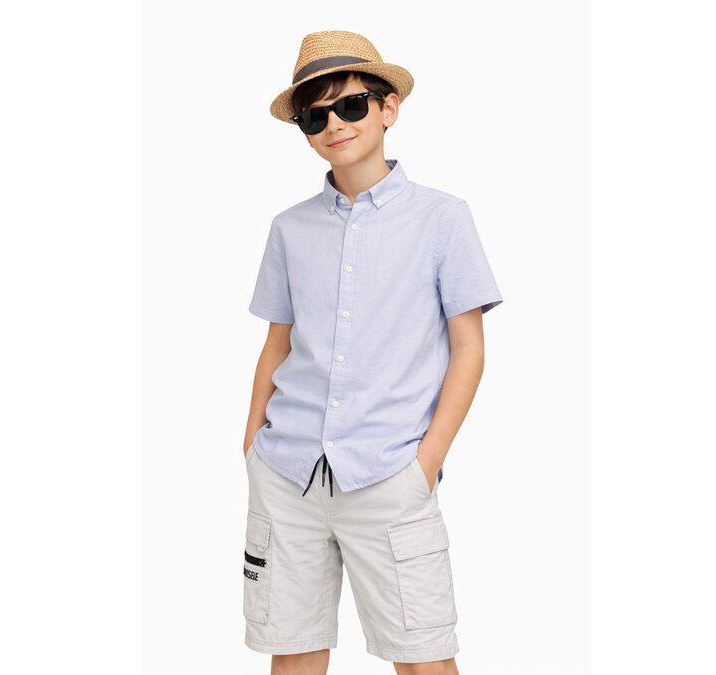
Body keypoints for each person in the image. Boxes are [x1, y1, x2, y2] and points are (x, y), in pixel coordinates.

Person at [242, 30, 503, 675]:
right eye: (315, 116)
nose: (334, 123)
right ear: (305, 132)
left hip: (389, 475)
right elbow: (277, 344)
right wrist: (252, 447)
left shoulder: (443, 218)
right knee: (293, 657)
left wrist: (425, 463)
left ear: (389, 108)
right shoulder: (289, 228)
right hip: (288, 472)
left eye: (351, 105)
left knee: (422, 658)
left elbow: (468, 348)